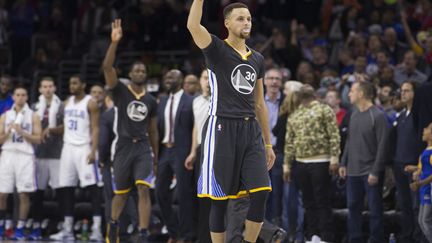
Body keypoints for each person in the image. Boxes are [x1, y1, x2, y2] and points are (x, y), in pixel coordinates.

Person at [187, 2, 275, 243]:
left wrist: (268, 143)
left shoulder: (257, 58)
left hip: (250, 130)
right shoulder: (216, 49)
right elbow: (193, 25)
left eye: (248, 18)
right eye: (240, 18)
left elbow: (260, 104)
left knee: (261, 193)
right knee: (219, 200)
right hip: (221, 127)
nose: (246, 22)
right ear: (227, 23)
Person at [103, 19, 159, 243]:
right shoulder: (120, 92)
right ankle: (114, 224)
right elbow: (107, 68)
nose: (139, 71)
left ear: (145, 75)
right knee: (121, 194)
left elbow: (153, 130)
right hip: (123, 147)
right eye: (135, 69)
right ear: (130, 73)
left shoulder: (151, 100)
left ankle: (143, 232)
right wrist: (114, 43)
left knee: (144, 189)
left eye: (142, 69)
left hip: (143, 146)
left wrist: (155, 155)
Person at [284, 85, 340, 242]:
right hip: (301, 162)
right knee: (308, 201)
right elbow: (290, 142)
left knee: (322, 200)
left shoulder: (324, 110)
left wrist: (334, 158)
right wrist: (287, 166)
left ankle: (326, 236)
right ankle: (313, 234)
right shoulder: (295, 114)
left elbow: (334, 135)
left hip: (321, 161)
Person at [50, 75, 102, 241]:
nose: (72, 86)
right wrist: (51, 130)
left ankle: (97, 229)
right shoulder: (66, 103)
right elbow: (66, 126)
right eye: (70, 83)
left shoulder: (90, 103)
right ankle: (68, 228)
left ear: (83, 85)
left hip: (84, 147)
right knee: (66, 188)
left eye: (75, 83)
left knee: (93, 188)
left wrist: (93, 150)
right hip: (68, 148)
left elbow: (95, 128)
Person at [339, 81, 389, 243]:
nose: (349, 94)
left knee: (375, 210)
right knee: (353, 208)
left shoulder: (378, 115)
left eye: (352, 91)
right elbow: (349, 140)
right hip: (353, 171)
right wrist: (343, 163)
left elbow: (383, 146)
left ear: (361, 93)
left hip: (370, 171)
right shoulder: (353, 114)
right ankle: (355, 239)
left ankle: (376, 239)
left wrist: (375, 171)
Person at [156, 69, 196, 242]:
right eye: (166, 76)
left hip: (183, 151)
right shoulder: (162, 101)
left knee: (184, 194)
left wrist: (192, 152)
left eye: (171, 77)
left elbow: (194, 128)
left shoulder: (191, 101)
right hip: (165, 150)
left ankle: (188, 235)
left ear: (180, 81)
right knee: (159, 192)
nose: (167, 78)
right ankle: (174, 231)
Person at [0, 86, 41, 240]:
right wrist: (9, 131)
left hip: (25, 155)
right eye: (17, 95)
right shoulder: (5, 116)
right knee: (2, 193)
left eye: (23, 95)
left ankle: (20, 227)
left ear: (27, 97)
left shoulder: (33, 116)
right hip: (8, 154)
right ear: (13, 97)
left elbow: (38, 139)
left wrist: (22, 132)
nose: (20, 98)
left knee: (24, 194)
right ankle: (2, 226)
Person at [29, 77, 63, 240]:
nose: (48, 89)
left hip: (57, 154)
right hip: (39, 154)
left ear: (54, 88)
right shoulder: (34, 107)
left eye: (50, 86)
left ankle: (59, 223)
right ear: (40, 89)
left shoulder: (62, 106)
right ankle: (37, 224)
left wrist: (51, 130)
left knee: (60, 191)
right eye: (45, 87)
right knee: (38, 193)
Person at [185, 69, 211, 242]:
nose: (208, 81)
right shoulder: (195, 101)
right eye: (204, 78)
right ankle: (202, 237)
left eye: (210, 78)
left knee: (214, 195)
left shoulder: (221, 100)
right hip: (201, 149)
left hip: (218, 149)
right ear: (200, 81)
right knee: (201, 194)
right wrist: (193, 152)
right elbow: (196, 127)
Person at [392, 80, 419, 243]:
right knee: (405, 204)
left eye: (407, 90)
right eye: (402, 91)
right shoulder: (401, 115)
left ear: (416, 93)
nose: (403, 93)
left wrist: (418, 165)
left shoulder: (420, 115)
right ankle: (407, 235)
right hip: (399, 164)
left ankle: (418, 237)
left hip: (414, 166)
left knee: (416, 205)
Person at [262, 68, 284, 224]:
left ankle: (276, 229)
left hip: (280, 153)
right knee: (261, 193)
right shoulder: (257, 101)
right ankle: (262, 229)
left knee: (278, 193)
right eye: (270, 78)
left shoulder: (288, 102)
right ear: (264, 81)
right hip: (259, 153)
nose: (274, 81)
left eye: (277, 79)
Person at [410, 122, 432, 243]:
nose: (424, 130)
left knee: (425, 220)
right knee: (421, 220)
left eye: (427, 128)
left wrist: (421, 183)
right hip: (424, 189)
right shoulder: (425, 151)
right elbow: (422, 168)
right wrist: (415, 171)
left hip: (429, 189)